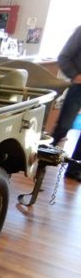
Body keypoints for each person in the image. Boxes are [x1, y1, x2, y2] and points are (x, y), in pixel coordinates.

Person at [51, 25, 81, 182]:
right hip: (78, 87)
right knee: (63, 126)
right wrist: (75, 75)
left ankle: (75, 169)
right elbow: (64, 57)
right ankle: (42, 161)